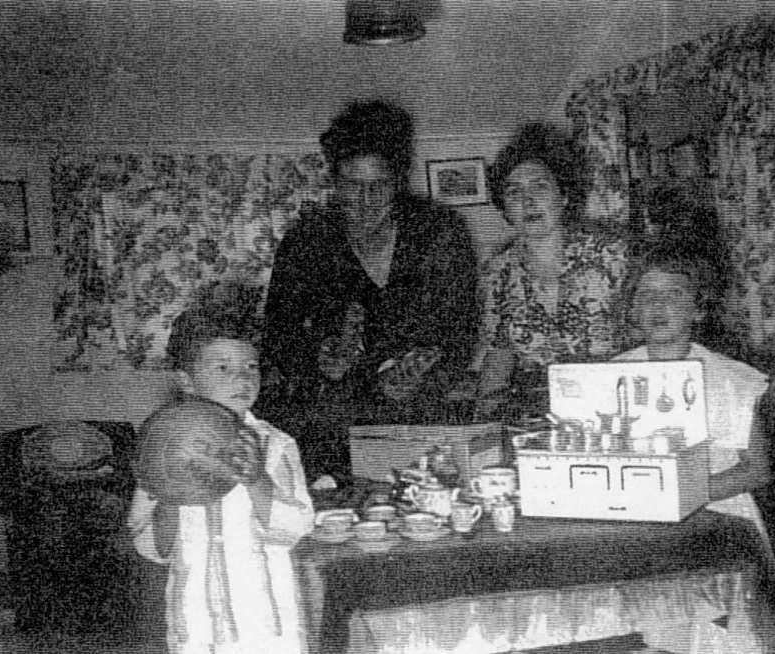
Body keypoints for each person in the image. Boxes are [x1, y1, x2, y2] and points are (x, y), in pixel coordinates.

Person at [257, 99, 481, 483]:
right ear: (334, 181)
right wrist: (317, 359)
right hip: (330, 420)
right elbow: (279, 332)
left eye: (379, 186)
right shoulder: (306, 240)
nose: (365, 201)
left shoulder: (441, 232)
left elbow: (461, 329)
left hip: (417, 414)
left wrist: (425, 374)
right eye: (352, 186)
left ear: (398, 182)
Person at [128, 281, 316, 654]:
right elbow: (151, 547)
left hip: (267, 624)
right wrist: (169, 493)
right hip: (194, 622)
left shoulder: (275, 445)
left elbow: (296, 528)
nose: (243, 378)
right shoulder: (161, 446)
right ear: (186, 380)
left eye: (251, 366)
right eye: (223, 367)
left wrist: (258, 481)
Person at [613, 245, 775, 569]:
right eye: (646, 294)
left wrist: (678, 496)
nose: (658, 304)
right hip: (637, 515)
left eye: (674, 294)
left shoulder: (727, 379)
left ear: (698, 309)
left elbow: (757, 470)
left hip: (718, 516)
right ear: (633, 310)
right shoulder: (611, 374)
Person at [476, 123, 630, 418]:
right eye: (514, 192)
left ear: (565, 196)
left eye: (540, 187)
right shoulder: (496, 273)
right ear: (505, 209)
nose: (527, 201)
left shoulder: (612, 256)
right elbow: (499, 355)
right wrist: (483, 423)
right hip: (536, 411)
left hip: (615, 402)